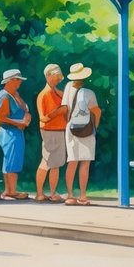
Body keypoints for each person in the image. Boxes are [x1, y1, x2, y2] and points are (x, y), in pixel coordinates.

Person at [61, 63, 102, 206]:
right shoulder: (89, 93)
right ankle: (83, 196)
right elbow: (96, 111)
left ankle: (70, 195)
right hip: (86, 129)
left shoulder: (67, 88)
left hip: (71, 127)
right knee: (85, 163)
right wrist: (95, 127)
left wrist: (69, 121)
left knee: (72, 162)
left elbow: (65, 109)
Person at [0, 68, 32, 200]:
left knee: (13, 160)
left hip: (15, 132)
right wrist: (17, 123)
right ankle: (9, 192)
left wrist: (26, 116)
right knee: (11, 160)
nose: (20, 82)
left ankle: (11, 190)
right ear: (9, 81)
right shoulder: (5, 96)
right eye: (17, 80)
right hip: (9, 132)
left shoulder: (14, 94)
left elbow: (24, 109)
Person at [34, 63, 67, 202]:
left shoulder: (57, 92)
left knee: (55, 163)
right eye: (56, 77)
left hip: (59, 130)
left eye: (59, 78)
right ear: (48, 76)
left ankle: (52, 193)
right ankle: (40, 193)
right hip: (49, 131)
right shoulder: (44, 95)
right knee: (47, 161)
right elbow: (43, 118)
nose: (58, 80)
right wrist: (58, 112)